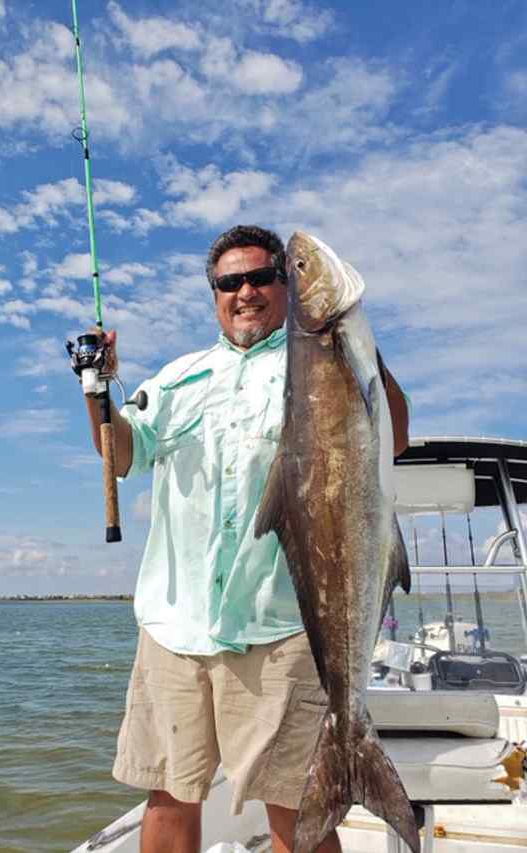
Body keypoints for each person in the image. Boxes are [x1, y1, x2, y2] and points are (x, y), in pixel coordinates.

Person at [84, 225, 409, 853]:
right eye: (230, 282)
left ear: (287, 288)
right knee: (169, 794)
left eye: (263, 277)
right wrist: (96, 391)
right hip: (175, 629)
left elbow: (392, 438)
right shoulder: (180, 377)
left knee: (292, 804)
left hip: (279, 630)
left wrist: (359, 349)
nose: (246, 292)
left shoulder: (321, 357)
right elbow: (122, 454)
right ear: (214, 295)